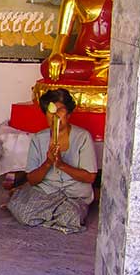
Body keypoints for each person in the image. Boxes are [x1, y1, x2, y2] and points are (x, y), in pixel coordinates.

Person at [6, 88, 98, 234]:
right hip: (46, 192)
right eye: (51, 111)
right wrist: (48, 163)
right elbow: (32, 179)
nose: (55, 115)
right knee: (24, 214)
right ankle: (52, 219)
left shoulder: (83, 137)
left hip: (73, 196)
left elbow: (90, 177)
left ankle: (43, 215)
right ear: (46, 114)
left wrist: (62, 165)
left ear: (68, 114)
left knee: (70, 216)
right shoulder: (38, 139)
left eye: (60, 110)